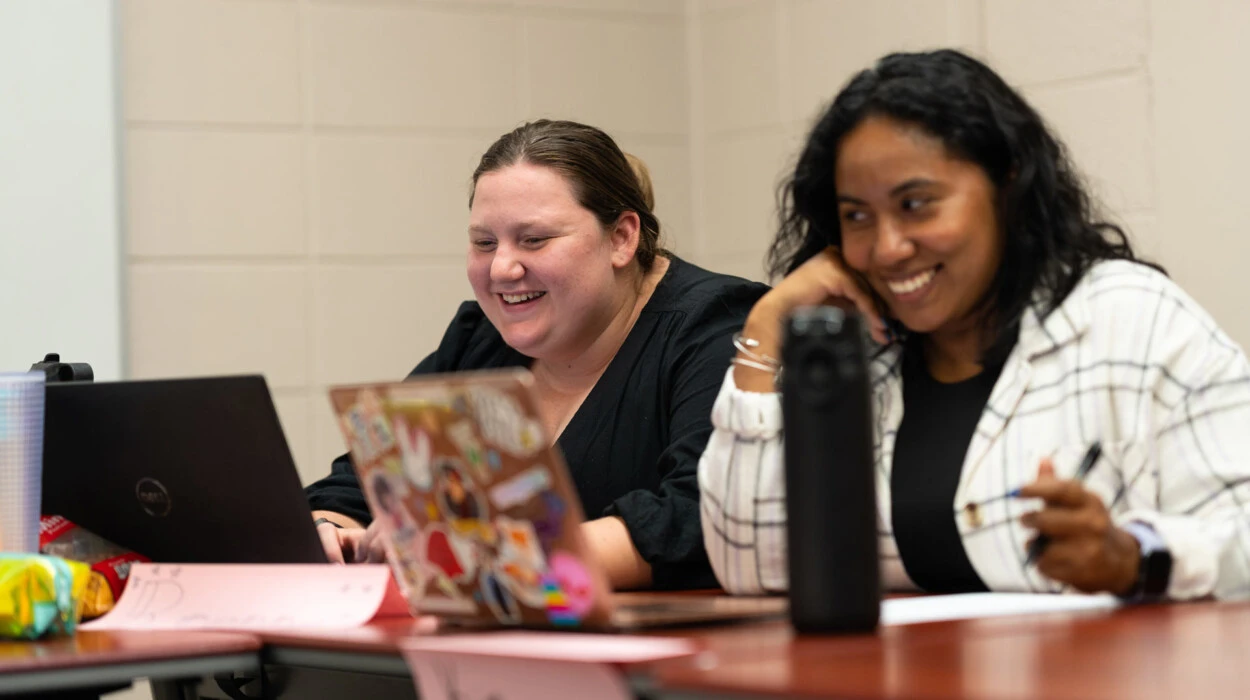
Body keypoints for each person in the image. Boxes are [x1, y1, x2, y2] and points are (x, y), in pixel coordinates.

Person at [699, 49, 1250, 601]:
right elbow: (748, 566)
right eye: (857, 217)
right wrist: (767, 328)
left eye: (916, 203)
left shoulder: (1130, 315)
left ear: (1005, 185)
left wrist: (1133, 556)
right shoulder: (859, 354)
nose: (888, 248)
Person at [307, 120, 768, 590]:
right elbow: (366, 478)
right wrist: (328, 532)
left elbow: (704, 515)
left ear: (622, 238)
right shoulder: (479, 341)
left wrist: (482, 554)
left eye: (534, 240)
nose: (503, 268)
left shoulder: (721, 327)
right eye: (484, 243)